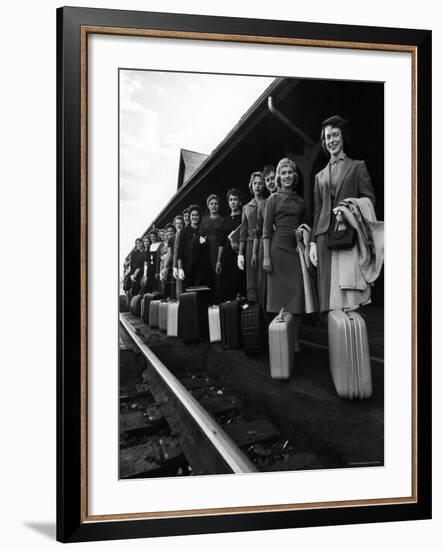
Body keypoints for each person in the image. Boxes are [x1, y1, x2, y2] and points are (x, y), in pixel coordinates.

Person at [309, 115, 376, 312]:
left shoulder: (357, 167)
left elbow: (369, 200)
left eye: (335, 135)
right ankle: (337, 338)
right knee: (329, 299)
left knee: (349, 294)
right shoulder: (319, 176)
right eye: (328, 137)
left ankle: (350, 337)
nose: (331, 140)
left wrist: (349, 208)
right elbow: (317, 211)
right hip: (323, 238)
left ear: (342, 136)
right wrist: (312, 241)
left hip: (348, 235)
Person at [262, 158, 306, 354]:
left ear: (294, 176)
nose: (287, 176)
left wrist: (302, 233)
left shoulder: (300, 201)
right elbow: (266, 231)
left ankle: (294, 339)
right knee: (279, 299)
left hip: (295, 250)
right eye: (284, 173)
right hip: (277, 250)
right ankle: (280, 339)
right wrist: (266, 257)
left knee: (297, 295)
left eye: (290, 172)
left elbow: (306, 226)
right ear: (279, 177)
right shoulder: (272, 199)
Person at [238, 171, 266, 302]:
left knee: (265, 278)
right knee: (252, 280)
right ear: (251, 185)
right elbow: (243, 231)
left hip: (266, 243)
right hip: (250, 245)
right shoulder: (246, 207)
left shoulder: (268, 203)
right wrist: (240, 254)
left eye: (260, 183)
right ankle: (254, 313)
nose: (257, 186)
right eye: (255, 183)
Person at [252, 164, 277, 309]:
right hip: (265, 248)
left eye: (273, 178)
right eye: (267, 180)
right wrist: (255, 252)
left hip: (280, 245)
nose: (271, 182)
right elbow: (257, 231)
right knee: (264, 284)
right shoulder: (262, 205)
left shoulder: (284, 198)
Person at [176, 204, 213, 292]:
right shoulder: (184, 231)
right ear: (189, 216)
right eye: (193, 215)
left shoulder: (203, 229)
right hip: (188, 267)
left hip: (202, 267)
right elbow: (180, 250)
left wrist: (204, 242)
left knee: (201, 291)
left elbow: (207, 248)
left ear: (199, 216)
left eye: (196, 215)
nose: (195, 217)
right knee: (189, 293)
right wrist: (180, 268)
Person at [220, 188, 246, 301]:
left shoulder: (243, 217)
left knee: (239, 284)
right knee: (228, 287)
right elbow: (221, 242)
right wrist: (218, 260)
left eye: (235, 199)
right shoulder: (225, 220)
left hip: (239, 255)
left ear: (240, 202)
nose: (233, 202)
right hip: (227, 257)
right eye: (230, 200)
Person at [199, 194, 225, 302]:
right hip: (206, 254)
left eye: (216, 204)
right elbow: (200, 238)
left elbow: (223, 241)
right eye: (211, 204)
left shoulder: (222, 220)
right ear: (208, 206)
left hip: (218, 252)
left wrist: (219, 260)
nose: (214, 206)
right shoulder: (204, 221)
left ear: (219, 205)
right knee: (207, 280)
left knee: (218, 281)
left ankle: (218, 306)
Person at [145, 229, 162, 293]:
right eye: (151, 237)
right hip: (150, 268)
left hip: (157, 267)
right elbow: (147, 260)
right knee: (150, 284)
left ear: (156, 237)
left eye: (154, 236)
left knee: (157, 283)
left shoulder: (160, 244)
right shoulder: (149, 246)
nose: (152, 238)